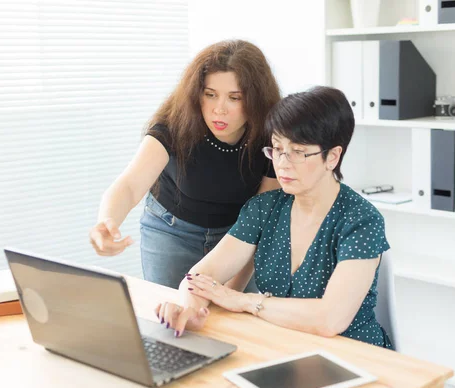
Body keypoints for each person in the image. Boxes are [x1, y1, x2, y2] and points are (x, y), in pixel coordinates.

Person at [154, 86, 393, 349]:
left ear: (332, 156)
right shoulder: (264, 209)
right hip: (282, 347)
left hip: (355, 355)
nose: (283, 163)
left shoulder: (361, 221)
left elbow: (330, 319)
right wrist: (190, 311)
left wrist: (245, 301)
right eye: (277, 149)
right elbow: (201, 276)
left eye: (299, 152)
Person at [89, 40, 281, 290]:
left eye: (234, 98)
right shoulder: (175, 125)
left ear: (256, 99)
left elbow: (261, 220)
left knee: (234, 320)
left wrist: (230, 293)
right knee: (170, 318)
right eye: (210, 95)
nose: (218, 109)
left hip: (239, 236)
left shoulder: (273, 137)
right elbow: (129, 185)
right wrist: (106, 222)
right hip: (171, 232)